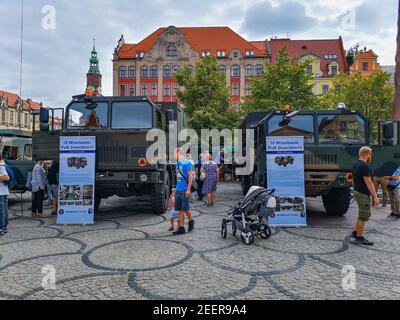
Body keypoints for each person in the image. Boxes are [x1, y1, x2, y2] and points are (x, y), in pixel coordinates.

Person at [351, 147, 379, 246]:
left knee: (361, 214)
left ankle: (356, 232)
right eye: (370, 155)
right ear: (367, 154)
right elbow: (368, 181)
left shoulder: (355, 164)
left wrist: (355, 189)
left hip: (358, 191)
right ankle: (359, 237)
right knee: (363, 216)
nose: (371, 157)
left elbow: (353, 179)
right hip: (363, 194)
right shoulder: (365, 166)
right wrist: (375, 197)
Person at [173, 148, 195, 235]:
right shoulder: (177, 164)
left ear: (179, 153)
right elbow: (178, 177)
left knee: (185, 208)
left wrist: (188, 189)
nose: (173, 156)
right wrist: (175, 189)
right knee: (179, 209)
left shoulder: (187, 163)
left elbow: (190, 177)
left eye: (174, 154)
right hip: (178, 189)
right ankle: (181, 227)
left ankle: (191, 221)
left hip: (185, 189)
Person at [0, 154, 10, 236]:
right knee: (4, 208)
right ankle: (4, 226)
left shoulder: (1, 166)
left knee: (1, 209)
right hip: (4, 190)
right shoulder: (3, 163)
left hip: (1, 191)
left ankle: (1, 227)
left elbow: (6, 177)